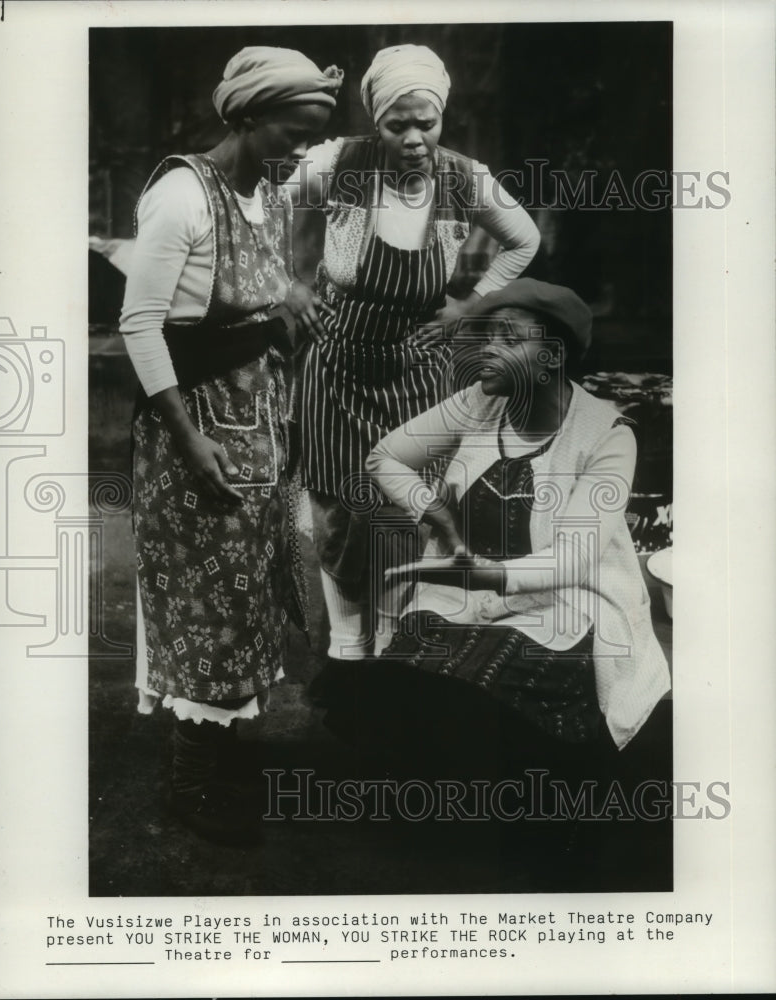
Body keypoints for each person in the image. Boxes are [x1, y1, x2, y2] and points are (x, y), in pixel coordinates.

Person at [319, 280, 671, 817]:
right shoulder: (478, 403)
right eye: (486, 336)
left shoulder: (607, 435)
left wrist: (488, 576)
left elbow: (572, 558)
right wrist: (429, 507)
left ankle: (537, 801)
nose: (487, 349)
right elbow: (384, 456)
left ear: (552, 357)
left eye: (508, 338)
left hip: (567, 604)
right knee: (404, 669)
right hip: (464, 596)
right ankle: (459, 787)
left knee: (496, 675)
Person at [119, 46, 342, 843]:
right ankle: (190, 783)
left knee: (247, 591)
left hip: (257, 419)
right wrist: (188, 440)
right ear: (245, 117)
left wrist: (291, 299)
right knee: (205, 600)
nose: (299, 151)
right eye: (291, 132)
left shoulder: (263, 191)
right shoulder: (182, 195)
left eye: (311, 137)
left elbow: (256, 285)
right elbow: (140, 326)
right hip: (198, 426)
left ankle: (221, 754)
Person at [285, 44, 541, 664]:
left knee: (405, 515)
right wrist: (286, 283)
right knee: (340, 514)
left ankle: (391, 653)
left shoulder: (465, 178)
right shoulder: (338, 162)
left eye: (426, 123)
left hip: (415, 374)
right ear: (376, 123)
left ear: (441, 117)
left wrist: (469, 306)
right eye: (396, 125)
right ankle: (347, 653)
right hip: (337, 368)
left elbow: (523, 239)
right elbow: (259, 208)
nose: (413, 139)